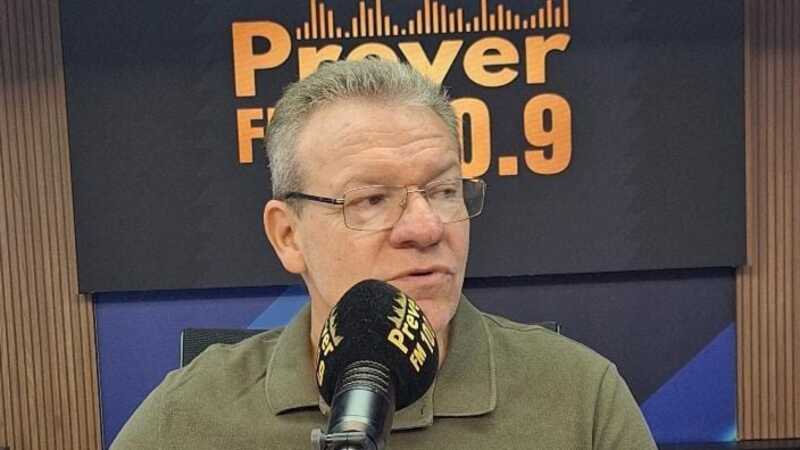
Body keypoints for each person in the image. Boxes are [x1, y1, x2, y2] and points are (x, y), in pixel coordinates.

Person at [111, 59, 656, 449]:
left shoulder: (581, 399)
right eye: (371, 200)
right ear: (288, 236)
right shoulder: (188, 417)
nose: (426, 227)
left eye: (444, 191)